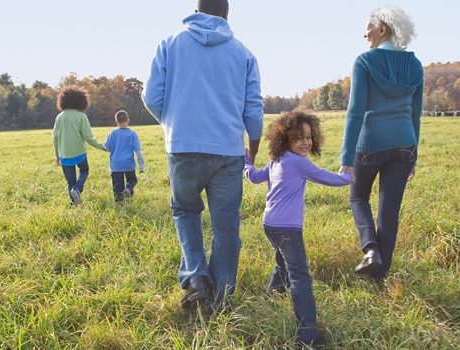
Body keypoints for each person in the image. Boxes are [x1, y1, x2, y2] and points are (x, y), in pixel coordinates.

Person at [142, 0, 263, 312]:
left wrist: (175, 124)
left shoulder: (169, 45)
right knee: (226, 224)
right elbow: (253, 109)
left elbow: (151, 97)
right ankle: (221, 296)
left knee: (185, 211)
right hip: (228, 151)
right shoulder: (244, 54)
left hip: (183, 146)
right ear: (226, 14)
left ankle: (197, 280)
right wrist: (253, 147)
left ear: (196, 11)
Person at [245, 111, 352, 346]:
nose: (305, 143)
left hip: (270, 225)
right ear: (285, 140)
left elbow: (253, 177)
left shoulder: (277, 161)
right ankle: (308, 335)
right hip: (287, 229)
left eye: (308, 137)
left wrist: (246, 161)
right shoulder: (298, 163)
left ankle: (271, 298)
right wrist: (350, 176)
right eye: (298, 138)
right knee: (300, 276)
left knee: (282, 264)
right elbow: (329, 178)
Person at [339, 5, 423, 284]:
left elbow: (355, 111)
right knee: (389, 212)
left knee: (357, 196)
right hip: (404, 145)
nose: (365, 33)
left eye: (369, 27)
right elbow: (415, 113)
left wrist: (346, 157)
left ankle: (371, 250)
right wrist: (414, 157)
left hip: (370, 144)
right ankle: (379, 278)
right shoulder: (415, 65)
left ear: (383, 29)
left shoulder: (364, 62)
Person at [52, 86, 107, 205]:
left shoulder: (59, 117)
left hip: (64, 155)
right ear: (82, 101)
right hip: (79, 153)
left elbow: (55, 138)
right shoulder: (81, 117)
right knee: (84, 170)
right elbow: (88, 137)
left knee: (70, 181)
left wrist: (57, 156)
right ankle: (77, 189)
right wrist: (101, 146)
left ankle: (74, 202)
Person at [104, 110, 145, 202]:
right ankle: (128, 189)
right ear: (128, 120)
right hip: (128, 164)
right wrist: (141, 166)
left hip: (116, 164)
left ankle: (119, 203)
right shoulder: (132, 134)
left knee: (117, 186)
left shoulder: (113, 133)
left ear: (116, 121)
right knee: (132, 180)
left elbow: (107, 148)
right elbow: (138, 151)